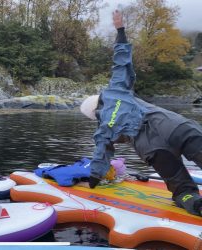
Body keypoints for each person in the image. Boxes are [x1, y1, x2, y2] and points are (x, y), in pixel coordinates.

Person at [78, 10, 202, 216]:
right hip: (175, 126)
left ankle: (194, 203)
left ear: (94, 114)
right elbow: (122, 61)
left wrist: (92, 182)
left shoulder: (102, 130)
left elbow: (101, 157)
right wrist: (120, 30)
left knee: (182, 189)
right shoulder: (116, 89)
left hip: (153, 149)